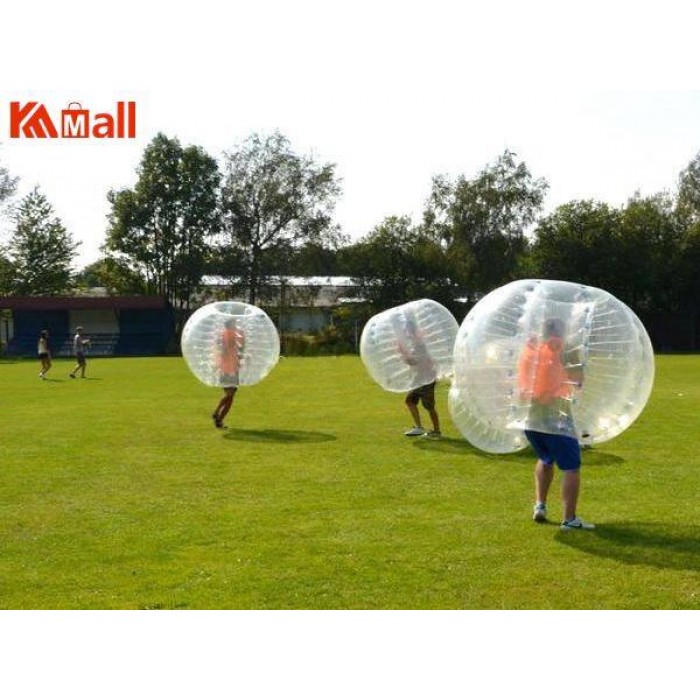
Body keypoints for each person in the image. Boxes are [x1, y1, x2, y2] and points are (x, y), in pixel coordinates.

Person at [517, 318, 593, 531]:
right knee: (571, 467)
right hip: (557, 417)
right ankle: (569, 519)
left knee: (545, 458)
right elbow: (578, 381)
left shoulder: (530, 348)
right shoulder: (564, 348)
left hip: (531, 416)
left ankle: (540, 505)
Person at [398, 314, 441, 438]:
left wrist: (403, 354)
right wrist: (404, 355)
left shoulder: (420, 343)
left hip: (427, 379)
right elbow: (414, 362)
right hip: (419, 379)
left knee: (429, 406)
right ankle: (419, 427)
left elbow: (418, 361)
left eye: (407, 330)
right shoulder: (416, 343)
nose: (406, 334)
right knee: (410, 401)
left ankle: (436, 431)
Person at [212, 318, 245, 429]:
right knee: (230, 395)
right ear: (231, 325)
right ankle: (216, 412)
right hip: (231, 369)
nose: (236, 326)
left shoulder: (221, 335)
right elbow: (240, 348)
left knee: (230, 397)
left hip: (223, 368)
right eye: (234, 324)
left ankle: (219, 421)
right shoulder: (233, 335)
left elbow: (218, 350)